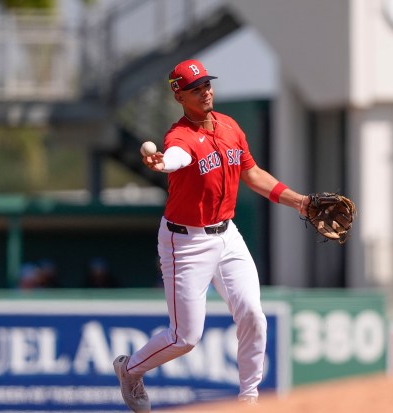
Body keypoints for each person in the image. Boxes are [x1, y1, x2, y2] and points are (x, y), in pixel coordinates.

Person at [112, 59, 313, 412]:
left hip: (227, 234)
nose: (205, 91)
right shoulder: (180, 137)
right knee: (185, 338)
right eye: (195, 88)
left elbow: (252, 175)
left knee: (252, 311)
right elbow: (175, 156)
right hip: (185, 243)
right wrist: (163, 163)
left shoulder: (230, 126)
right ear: (180, 97)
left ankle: (249, 398)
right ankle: (129, 370)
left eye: (207, 84)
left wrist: (302, 202)